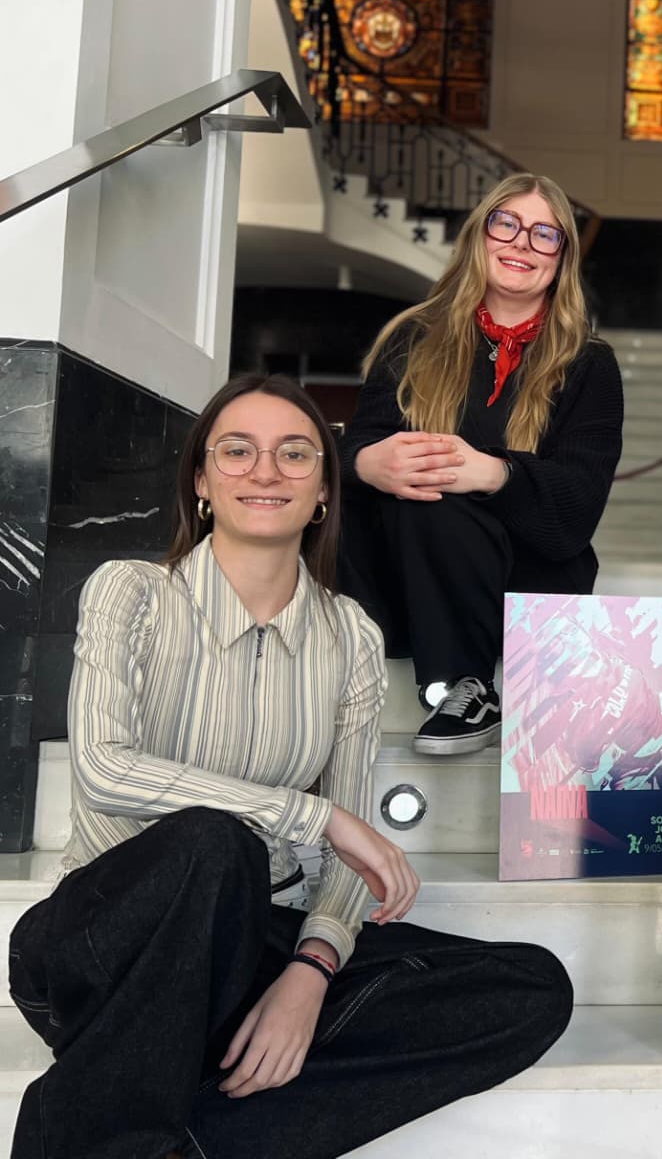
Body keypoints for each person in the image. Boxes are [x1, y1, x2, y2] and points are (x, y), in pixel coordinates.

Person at [8, 375, 574, 1159]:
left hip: (248, 951)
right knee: (216, 843)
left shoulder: (349, 637)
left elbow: (346, 864)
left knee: (529, 989)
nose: (266, 471)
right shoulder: (131, 593)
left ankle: (185, 1134)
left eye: (295, 454)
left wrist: (310, 971)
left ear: (323, 492)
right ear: (202, 482)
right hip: (100, 947)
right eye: (237, 451)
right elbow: (104, 769)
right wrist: (315, 816)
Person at [339, 172, 624, 756]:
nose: (522, 243)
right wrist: (369, 462)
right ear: (479, 235)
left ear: (561, 259)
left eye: (544, 234)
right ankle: (410, 673)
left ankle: (465, 686)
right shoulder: (412, 338)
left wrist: (495, 474)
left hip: (528, 582)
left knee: (439, 492)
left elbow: (578, 506)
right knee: (396, 493)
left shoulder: (589, 364)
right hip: (412, 574)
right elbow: (355, 445)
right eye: (506, 224)